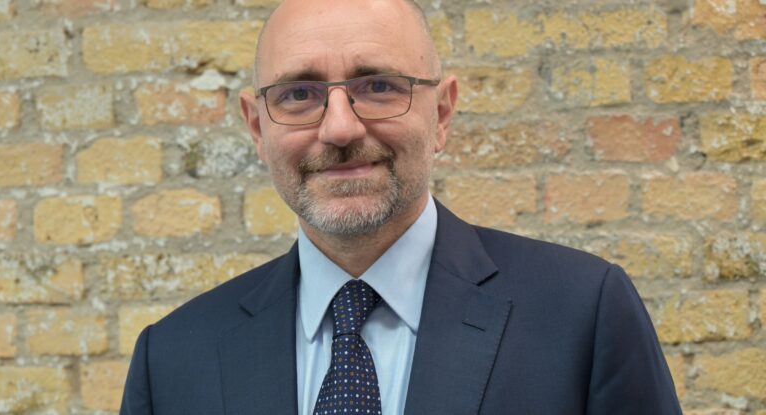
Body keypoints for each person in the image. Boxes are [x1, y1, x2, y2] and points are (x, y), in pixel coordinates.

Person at [120, 0, 682, 413]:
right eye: (298, 94)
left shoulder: (583, 314)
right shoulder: (171, 359)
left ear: (440, 115)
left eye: (379, 86)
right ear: (256, 126)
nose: (339, 127)